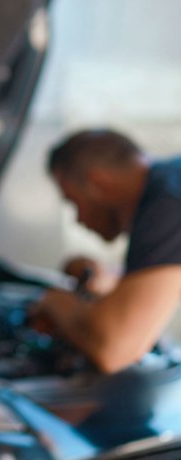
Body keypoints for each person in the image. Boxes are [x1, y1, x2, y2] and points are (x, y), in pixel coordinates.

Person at [30, 128, 181, 374]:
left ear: (98, 182)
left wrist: (55, 302)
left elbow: (116, 349)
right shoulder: (171, 182)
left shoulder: (168, 204)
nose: (78, 219)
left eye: (73, 201)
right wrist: (108, 280)